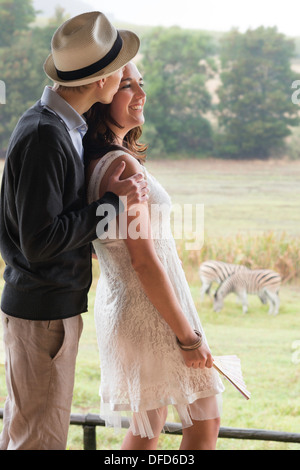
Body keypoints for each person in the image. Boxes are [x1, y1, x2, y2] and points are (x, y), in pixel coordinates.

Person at [0, 12, 148, 450]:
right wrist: (111, 206)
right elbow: (40, 240)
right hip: (44, 314)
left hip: (40, 306)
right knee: (39, 441)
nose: (127, 76)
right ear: (102, 80)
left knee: (23, 432)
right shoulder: (48, 134)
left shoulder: (56, 125)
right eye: (120, 69)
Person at [84, 62, 224, 451]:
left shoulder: (100, 161)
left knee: (149, 425)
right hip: (150, 307)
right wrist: (189, 337)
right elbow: (144, 261)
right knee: (205, 418)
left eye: (141, 84)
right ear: (103, 95)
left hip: (126, 304)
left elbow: (105, 242)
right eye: (127, 86)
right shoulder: (121, 164)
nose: (141, 94)